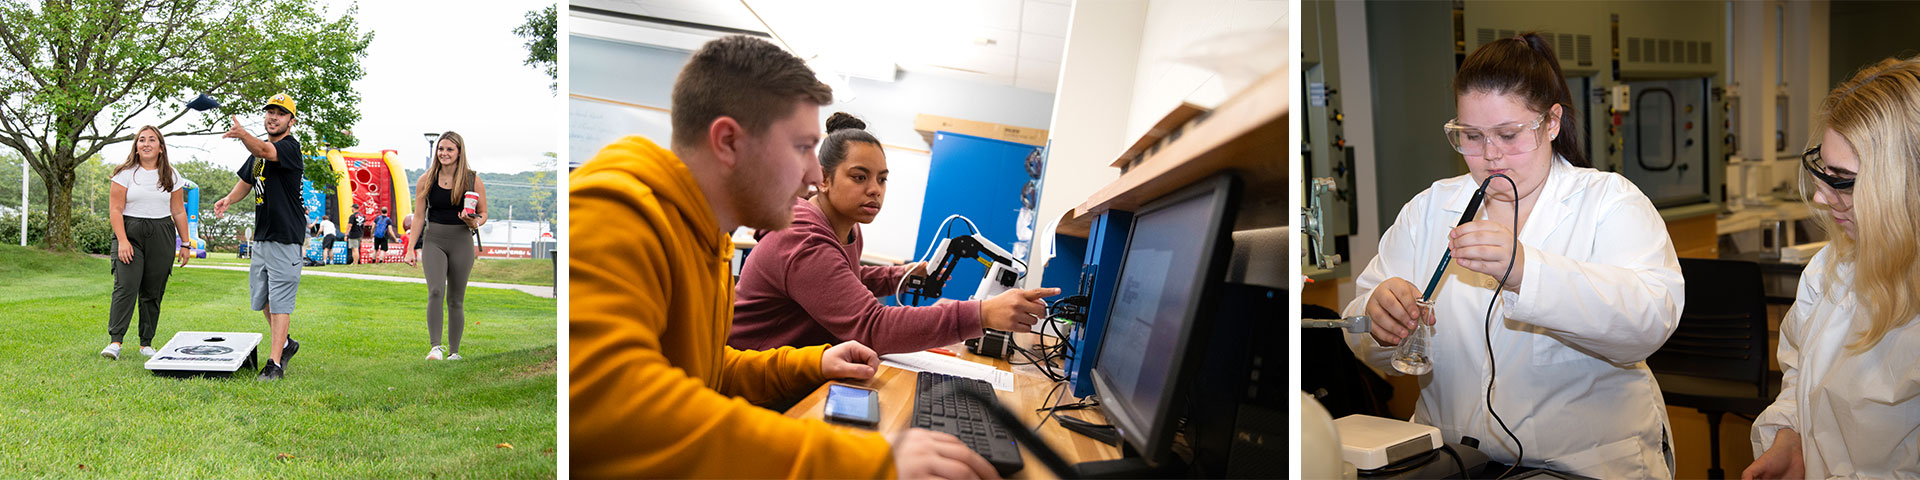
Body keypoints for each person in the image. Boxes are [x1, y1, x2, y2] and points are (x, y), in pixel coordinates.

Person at [570, 35, 999, 479]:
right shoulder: (613, 214)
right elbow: (612, 410)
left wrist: (811, 362)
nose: (816, 175)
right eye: (801, 148)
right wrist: (864, 462)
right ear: (729, 142)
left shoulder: (709, 240)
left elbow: (710, 369)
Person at [1341, 33, 1683, 478]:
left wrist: (1527, 272)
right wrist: (1378, 319)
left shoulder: (1608, 202)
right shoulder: (1430, 208)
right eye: (1471, 136)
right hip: (1454, 460)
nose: (1489, 155)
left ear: (1552, 122)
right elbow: (1359, 326)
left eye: (1508, 134)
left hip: (1584, 463)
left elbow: (1649, 321)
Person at [729, 112, 1056, 355]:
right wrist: (982, 314)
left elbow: (844, 279)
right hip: (756, 387)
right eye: (860, 177)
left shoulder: (846, 228)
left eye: (882, 179)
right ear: (823, 179)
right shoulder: (802, 239)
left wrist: (899, 275)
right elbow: (872, 327)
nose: (875, 190)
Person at [1743, 56, 1920, 480]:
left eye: (1842, 178)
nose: (1821, 199)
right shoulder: (1832, 269)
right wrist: (1791, 438)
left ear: (1905, 181)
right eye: (1822, 169)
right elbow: (1803, 371)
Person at [212, 93, 306, 381]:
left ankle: (274, 363)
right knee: (262, 299)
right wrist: (228, 199)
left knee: (280, 302)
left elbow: (266, 151)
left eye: (280, 113)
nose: (273, 117)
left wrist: (242, 134)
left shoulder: (290, 148)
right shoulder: (257, 153)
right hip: (263, 237)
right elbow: (247, 180)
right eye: (270, 112)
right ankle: (287, 342)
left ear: (291, 120)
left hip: (286, 236)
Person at [99, 125, 194, 360]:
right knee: (126, 287)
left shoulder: (171, 175)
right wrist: (122, 240)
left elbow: (178, 211)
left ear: (161, 147)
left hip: (161, 233)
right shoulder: (124, 173)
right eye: (142, 140)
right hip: (130, 233)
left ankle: (146, 344)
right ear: (136, 146)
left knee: (153, 291)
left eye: (152, 140)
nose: (146, 143)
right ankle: (115, 342)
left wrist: (185, 243)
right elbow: (115, 209)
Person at [404, 131, 486, 361]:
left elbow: (484, 213)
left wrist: (475, 221)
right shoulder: (426, 179)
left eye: (450, 149)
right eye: (441, 149)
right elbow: (419, 217)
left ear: (459, 152)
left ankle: (454, 352)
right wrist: (411, 248)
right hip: (434, 240)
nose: (444, 153)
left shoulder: (472, 179)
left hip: (462, 240)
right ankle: (435, 348)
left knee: (456, 298)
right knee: (436, 291)